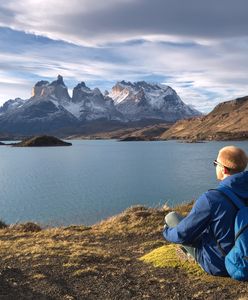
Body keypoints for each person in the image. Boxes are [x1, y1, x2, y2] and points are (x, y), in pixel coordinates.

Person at [163, 146, 248, 276]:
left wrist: (166, 232)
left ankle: (191, 255)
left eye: (216, 163)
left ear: (223, 169)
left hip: (220, 264)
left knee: (171, 217)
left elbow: (183, 234)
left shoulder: (211, 198)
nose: (215, 166)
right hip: (244, 256)